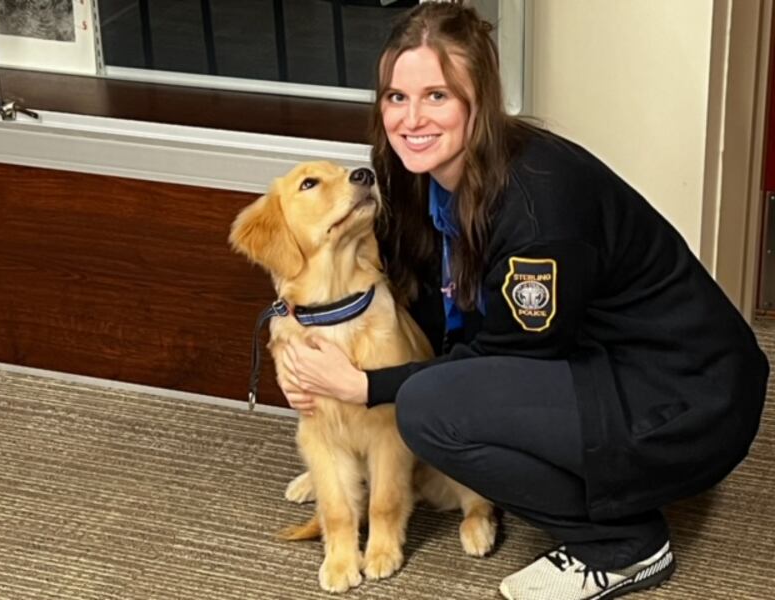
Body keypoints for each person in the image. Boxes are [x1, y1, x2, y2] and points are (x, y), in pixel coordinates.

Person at [278, 2, 770, 599]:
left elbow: (509, 363)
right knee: (438, 396)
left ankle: (623, 543)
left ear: (479, 99)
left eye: (437, 95)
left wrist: (366, 387)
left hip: (689, 392)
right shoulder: (412, 171)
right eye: (395, 97)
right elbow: (382, 283)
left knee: (432, 410)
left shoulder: (538, 207)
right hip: (597, 360)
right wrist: (299, 349)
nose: (410, 119)